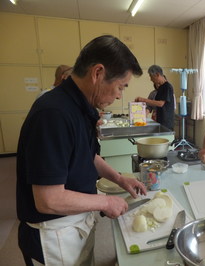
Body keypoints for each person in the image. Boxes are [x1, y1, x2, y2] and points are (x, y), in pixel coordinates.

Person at [16, 35, 146, 266]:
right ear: (98, 73)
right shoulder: (54, 114)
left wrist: (119, 179)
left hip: (75, 220)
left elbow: (87, 156)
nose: (119, 95)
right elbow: (48, 199)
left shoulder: (80, 107)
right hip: (55, 232)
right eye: (120, 87)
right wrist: (105, 203)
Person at [135, 65, 175, 130]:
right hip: (160, 120)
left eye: (151, 76)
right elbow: (152, 105)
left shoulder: (167, 87)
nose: (151, 79)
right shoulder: (161, 88)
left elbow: (160, 103)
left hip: (166, 123)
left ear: (157, 74)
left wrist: (144, 100)